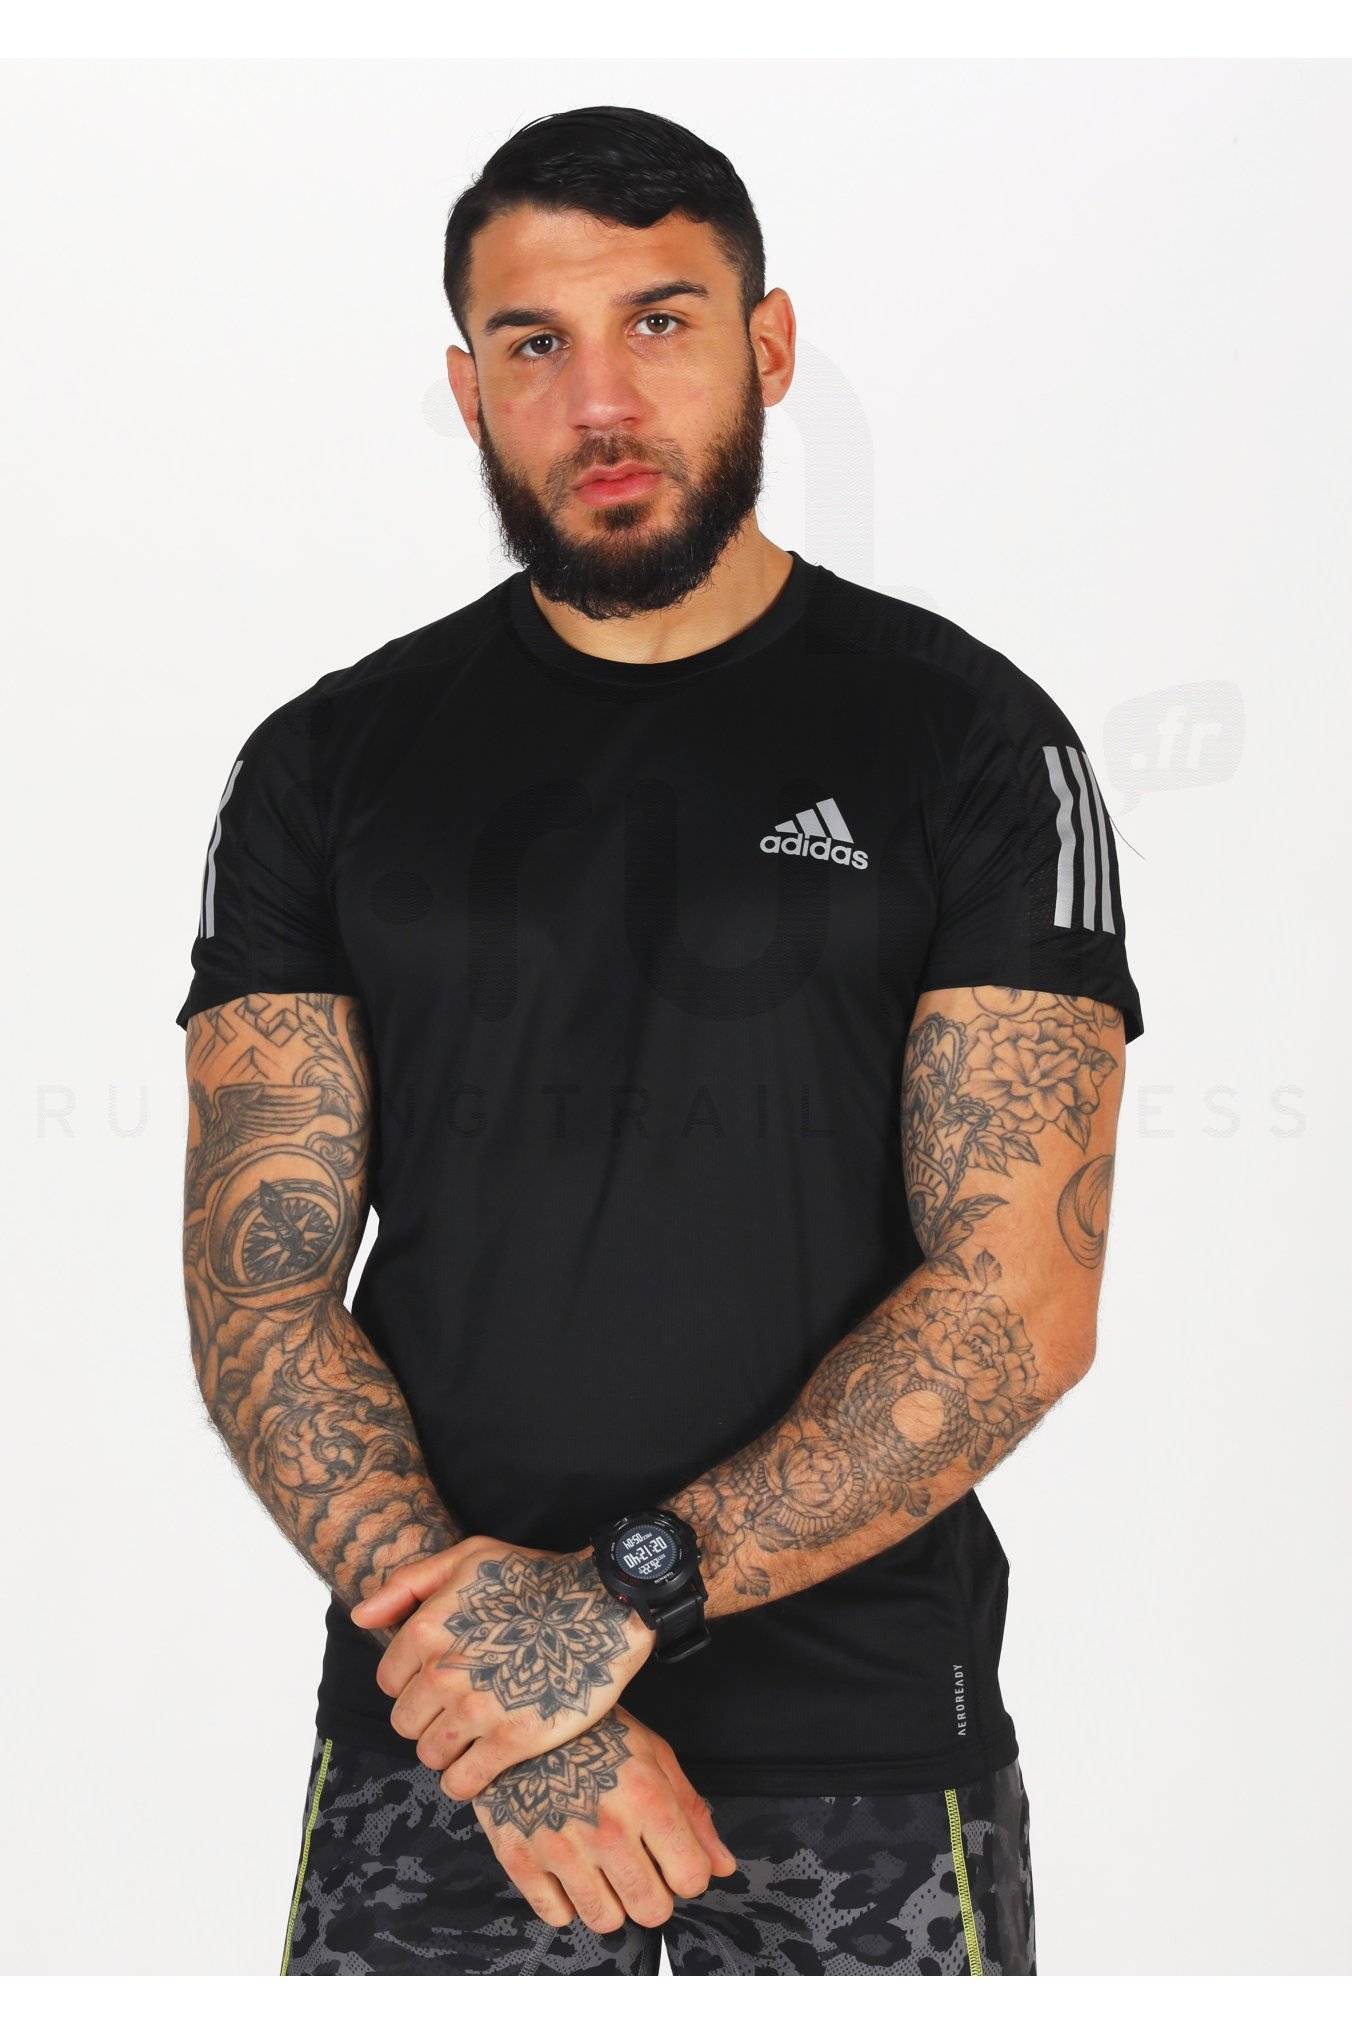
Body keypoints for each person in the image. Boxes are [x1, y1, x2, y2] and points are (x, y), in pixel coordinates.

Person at [176, 104, 1143, 1977]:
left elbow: (1020, 1297)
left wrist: (616, 1603)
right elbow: (259, 1290)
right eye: (534, 343)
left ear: (768, 346)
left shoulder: (968, 742)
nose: (600, 401)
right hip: (445, 1766)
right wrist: (511, 1698)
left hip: (863, 1763)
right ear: (467, 387)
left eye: (663, 322)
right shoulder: (327, 764)